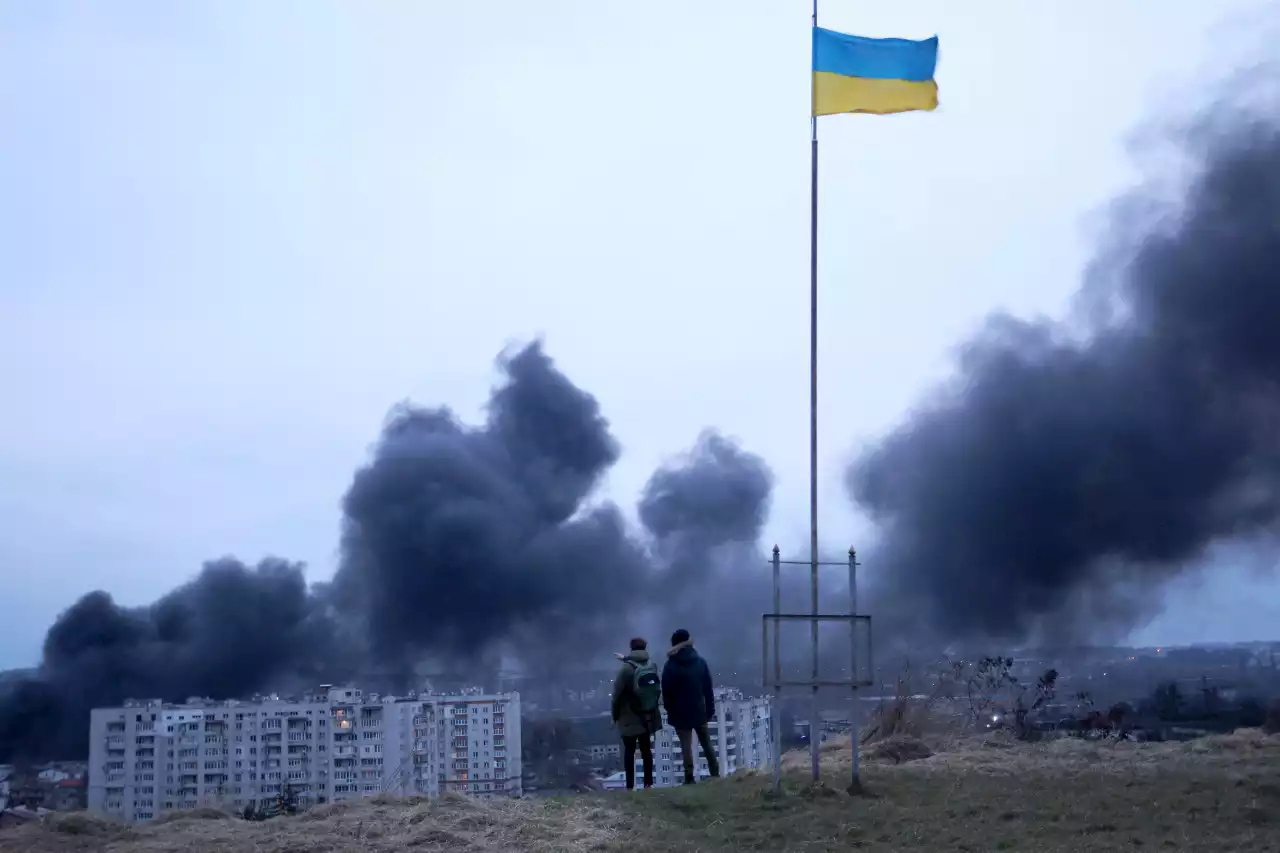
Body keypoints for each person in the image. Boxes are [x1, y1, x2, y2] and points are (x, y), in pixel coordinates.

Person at [661, 628, 721, 784]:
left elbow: (666, 693)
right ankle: (715, 772)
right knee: (707, 743)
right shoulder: (700, 662)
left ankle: (689, 777)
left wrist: (671, 711)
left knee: (685, 747)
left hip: (680, 714)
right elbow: (708, 688)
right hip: (699, 710)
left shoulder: (670, 666)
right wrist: (710, 709)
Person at [611, 636, 662, 790]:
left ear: (631, 648)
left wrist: (615, 716)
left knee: (629, 751)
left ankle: (630, 787)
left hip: (629, 715)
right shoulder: (651, 665)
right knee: (646, 750)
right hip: (647, 715)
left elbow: (616, 695)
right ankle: (648, 785)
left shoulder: (625, 668)